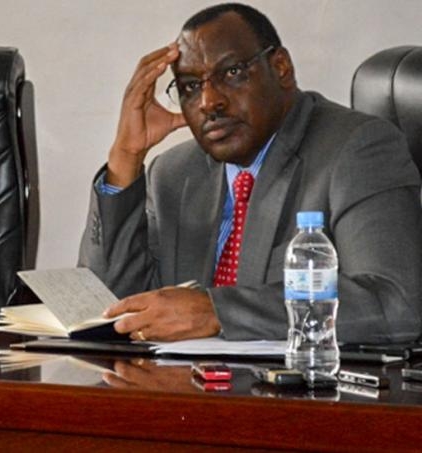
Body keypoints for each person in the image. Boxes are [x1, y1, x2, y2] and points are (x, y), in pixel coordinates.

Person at [79, 3, 422, 343]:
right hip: (183, 388)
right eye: (189, 87)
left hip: (300, 392)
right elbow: (108, 305)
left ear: (281, 67)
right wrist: (125, 158)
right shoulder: (173, 173)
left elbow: (396, 304)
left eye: (232, 73)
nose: (209, 102)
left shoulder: (355, 150)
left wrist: (216, 311)